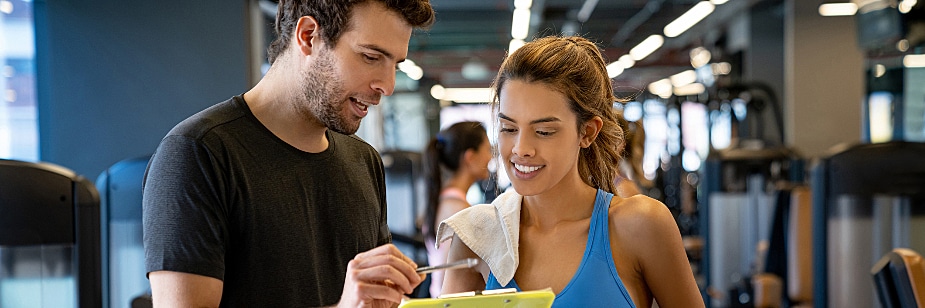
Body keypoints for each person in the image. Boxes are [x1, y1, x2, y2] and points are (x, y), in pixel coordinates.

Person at [142, 1, 435, 307]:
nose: (387, 86)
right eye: (370, 57)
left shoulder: (364, 161)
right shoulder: (197, 154)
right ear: (308, 36)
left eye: (395, 65)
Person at [437, 36, 704, 307]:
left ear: (587, 132)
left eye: (544, 132)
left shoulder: (640, 226)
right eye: (508, 128)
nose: (521, 149)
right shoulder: (475, 237)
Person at [420, 121, 492, 297]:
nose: (491, 157)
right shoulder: (460, 211)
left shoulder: (444, 201)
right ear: (470, 157)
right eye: (488, 150)